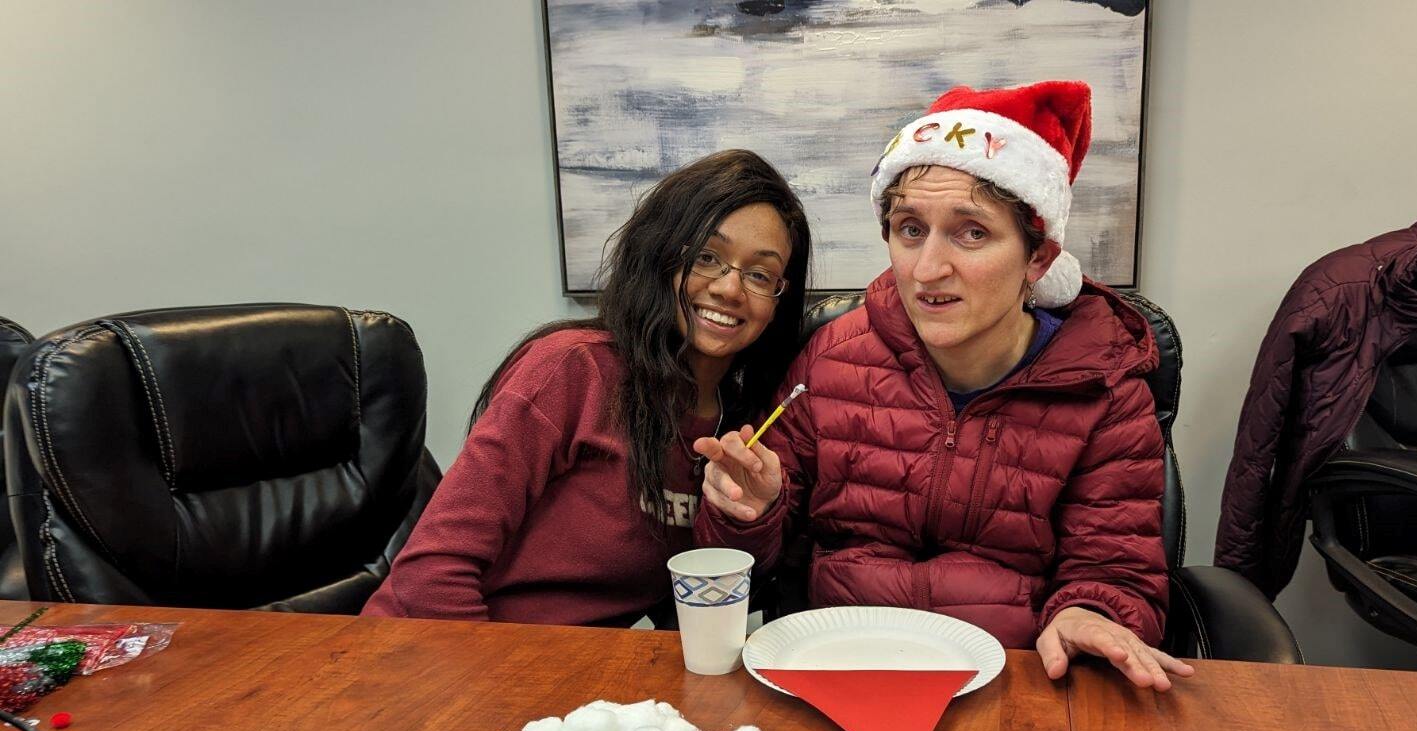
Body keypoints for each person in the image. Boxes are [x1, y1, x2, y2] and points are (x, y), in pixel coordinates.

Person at [694, 83, 1191, 690]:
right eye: (909, 229)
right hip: (836, 673)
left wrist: (1090, 613)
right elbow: (761, 561)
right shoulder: (833, 358)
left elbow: (1115, 571)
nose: (928, 270)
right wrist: (749, 511)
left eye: (972, 233)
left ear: (1038, 258)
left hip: (1016, 684)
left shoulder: (1103, 387)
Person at [363, 149, 811, 625]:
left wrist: (748, 515)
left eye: (760, 274)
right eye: (706, 257)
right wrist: (509, 696)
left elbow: (714, 589)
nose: (729, 289)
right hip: (434, 661)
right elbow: (430, 573)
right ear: (662, 255)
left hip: (578, 678)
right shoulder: (572, 371)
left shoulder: (742, 421)